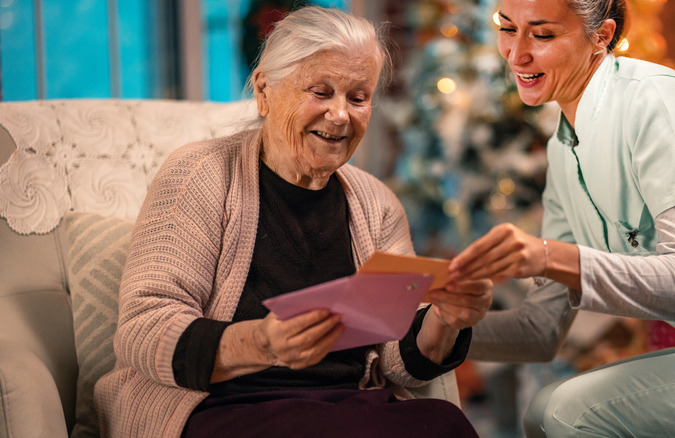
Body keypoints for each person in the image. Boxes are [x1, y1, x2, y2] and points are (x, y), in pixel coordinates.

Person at [94, 6, 492, 438]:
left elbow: (397, 358)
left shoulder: (376, 204)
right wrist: (262, 342)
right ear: (265, 90)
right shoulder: (199, 175)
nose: (341, 115)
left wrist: (447, 317)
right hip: (222, 405)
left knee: (446, 424)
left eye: (358, 98)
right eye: (321, 92)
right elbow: (143, 327)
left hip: (346, 405)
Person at [448, 0, 675, 436]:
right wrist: (429, 323)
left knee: (569, 413)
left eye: (542, 34)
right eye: (507, 28)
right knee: (542, 411)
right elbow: (541, 329)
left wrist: (548, 256)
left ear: (601, 37)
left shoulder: (659, 102)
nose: (515, 53)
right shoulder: (563, 150)